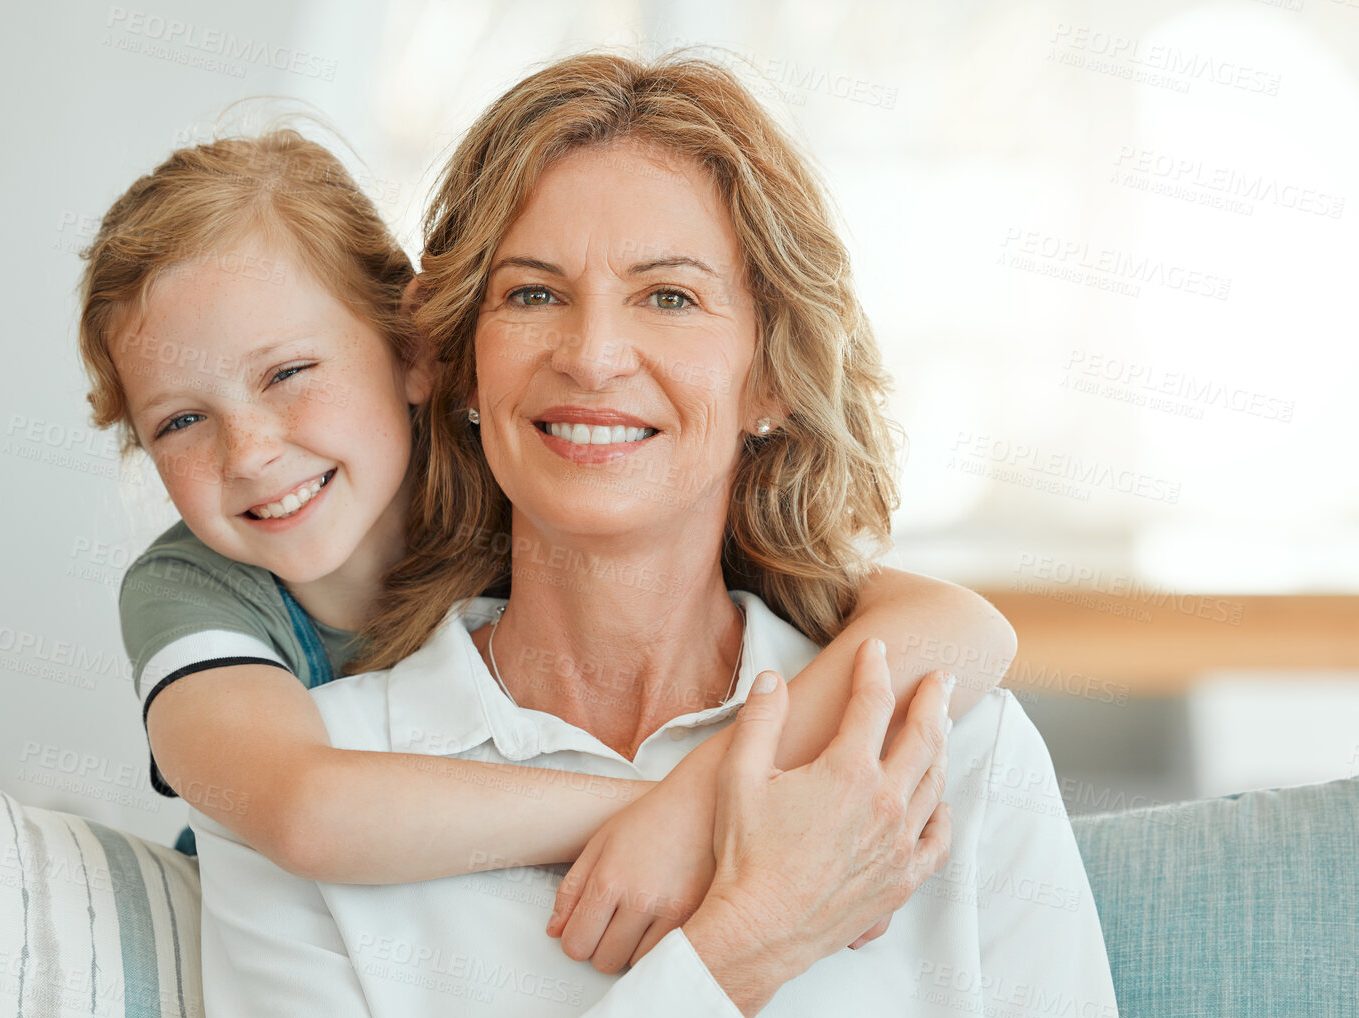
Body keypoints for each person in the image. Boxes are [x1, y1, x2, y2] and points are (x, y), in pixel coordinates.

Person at [189, 52, 1142, 1018]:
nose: (591, 354)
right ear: (462, 370)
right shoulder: (303, 809)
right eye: (532, 292)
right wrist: (735, 955)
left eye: (671, 295)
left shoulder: (960, 755)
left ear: (769, 378)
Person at [75, 130, 1017, 969]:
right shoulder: (190, 588)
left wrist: (687, 812)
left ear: (417, 350)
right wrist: (678, 810)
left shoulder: (544, 483)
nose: (250, 453)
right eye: (182, 421)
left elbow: (961, 628)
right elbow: (306, 812)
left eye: (289, 374)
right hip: (295, 972)